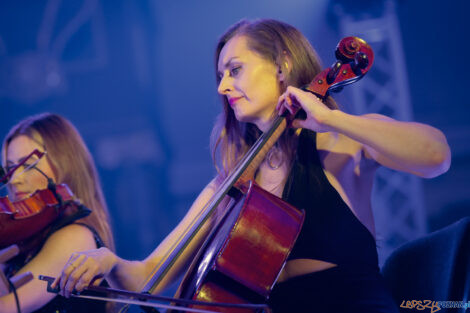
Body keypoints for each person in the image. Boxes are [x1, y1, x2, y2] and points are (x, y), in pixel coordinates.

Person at [53, 19, 451, 312]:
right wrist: (108, 261)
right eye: (221, 75)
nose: (222, 86)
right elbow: (147, 275)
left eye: (235, 69)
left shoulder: (340, 142)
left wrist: (330, 118)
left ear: (282, 64)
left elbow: (436, 156)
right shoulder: (231, 183)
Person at [0, 113, 115, 313]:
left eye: (27, 165)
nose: (15, 179)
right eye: (10, 169)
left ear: (65, 163)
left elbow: (8, 307)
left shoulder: (75, 237)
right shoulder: (25, 243)